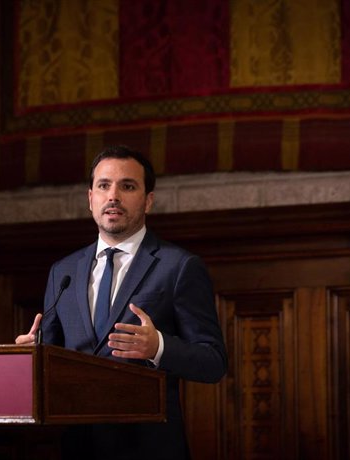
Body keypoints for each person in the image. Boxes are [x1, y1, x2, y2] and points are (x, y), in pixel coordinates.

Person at [16, 145, 227, 460]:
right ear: (91, 199)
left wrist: (158, 346)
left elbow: (213, 363)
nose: (113, 195)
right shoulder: (64, 271)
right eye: (104, 186)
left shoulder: (179, 266)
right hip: (78, 446)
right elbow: (53, 358)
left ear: (148, 200)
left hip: (150, 447)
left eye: (127, 186)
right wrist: (30, 358)